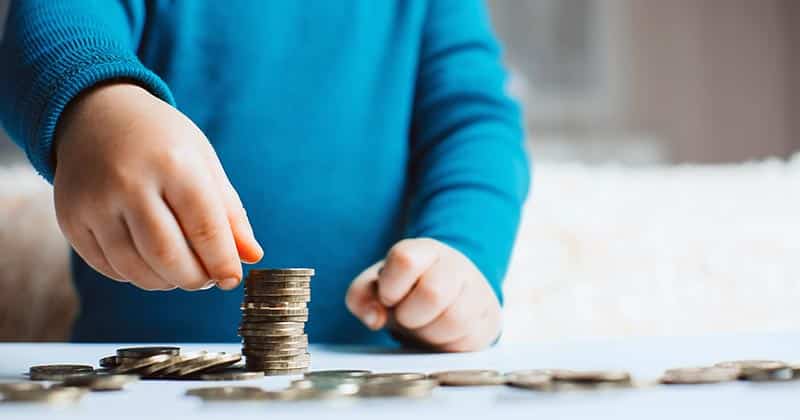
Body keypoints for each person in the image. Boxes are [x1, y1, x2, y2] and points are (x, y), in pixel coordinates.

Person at [0, 0, 529, 351]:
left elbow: (474, 122)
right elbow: (48, 22)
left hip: (372, 380)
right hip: (129, 380)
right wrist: (94, 103)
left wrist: (464, 251)